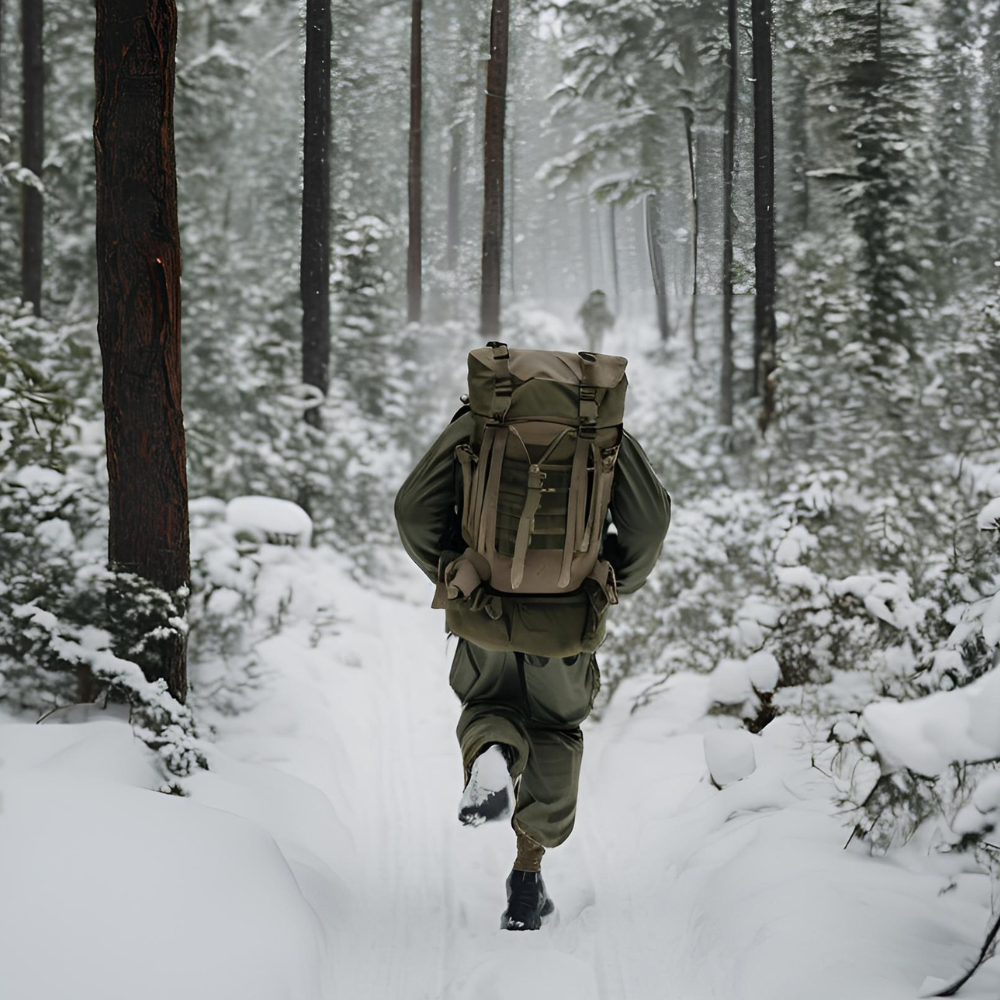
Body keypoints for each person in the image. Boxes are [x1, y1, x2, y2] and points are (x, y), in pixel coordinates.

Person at [394, 352, 670, 931]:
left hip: (484, 611)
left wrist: (453, 571)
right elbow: (647, 524)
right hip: (568, 623)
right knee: (555, 729)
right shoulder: (602, 431)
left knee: (488, 705)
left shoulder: (481, 420)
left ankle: (494, 753)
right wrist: (609, 580)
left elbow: (413, 509)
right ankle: (526, 880)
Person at [577, 289, 616, 354]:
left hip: (598, 327)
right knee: (591, 343)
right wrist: (587, 322)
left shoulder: (602, 306)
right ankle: (591, 355)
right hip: (590, 326)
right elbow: (582, 312)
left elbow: (607, 316)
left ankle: (596, 355)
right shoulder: (588, 305)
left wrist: (610, 324)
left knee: (598, 343)